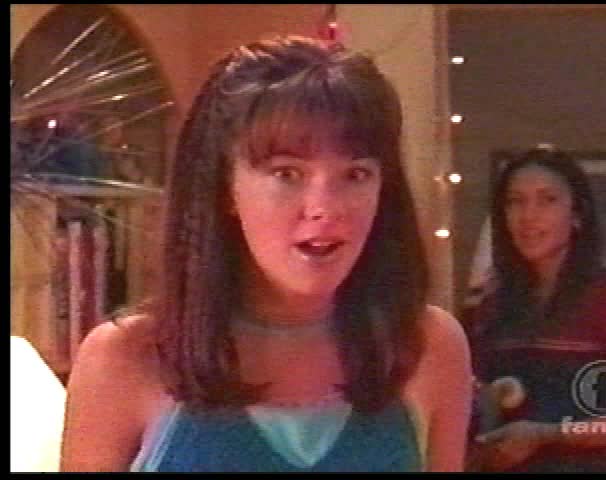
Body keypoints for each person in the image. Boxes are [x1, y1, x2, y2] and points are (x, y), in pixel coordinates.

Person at [60, 35, 472, 472]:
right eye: (287, 174)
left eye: (355, 174)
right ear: (225, 187)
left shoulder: (429, 346)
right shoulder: (124, 359)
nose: (324, 208)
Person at [464, 146, 606, 472]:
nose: (528, 216)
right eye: (515, 201)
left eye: (547, 200)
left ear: (577, 214)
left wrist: (548, 434)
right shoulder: (492, 301)